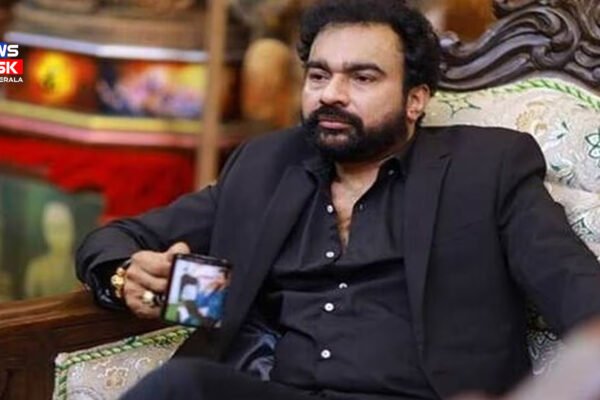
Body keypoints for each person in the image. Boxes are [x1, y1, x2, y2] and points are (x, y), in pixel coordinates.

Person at [76, 0, 600, 398]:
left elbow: (578, 294)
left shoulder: (485, 170)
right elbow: (119, 238)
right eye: (319, 75)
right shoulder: (267, 166)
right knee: (181, 386)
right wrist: (126, 275)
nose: (331, 94)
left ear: (415, 99)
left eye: (362, 77)